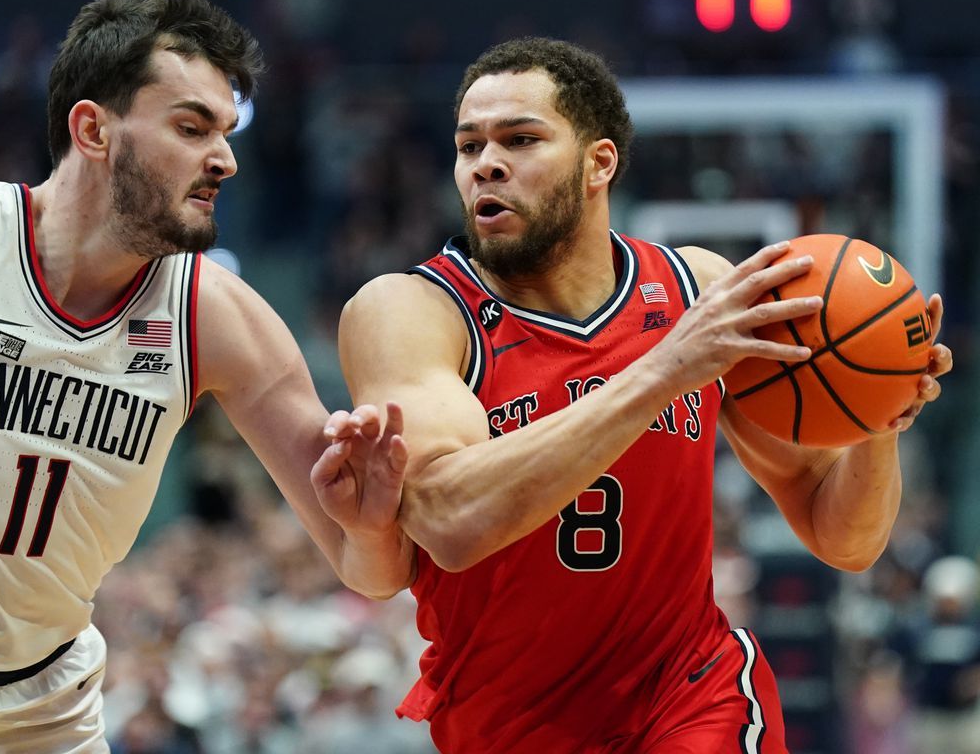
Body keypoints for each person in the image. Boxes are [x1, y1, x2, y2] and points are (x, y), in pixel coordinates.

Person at [0, 0, 411, 754]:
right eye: (192, 126)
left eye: (227, 131)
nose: (225, 158)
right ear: (94, 130)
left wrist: (372, 520)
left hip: (40, 704)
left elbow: (368, 569)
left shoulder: (219, 319)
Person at [338, 37, 953, 753]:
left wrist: (876, 412)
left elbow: (841, 535)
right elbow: (449, 517)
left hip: (687, 693)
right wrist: (667, 368)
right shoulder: (412, 311)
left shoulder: (699, 290)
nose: (487, 164)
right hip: (506, 723)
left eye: (521, 139)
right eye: (469, 145)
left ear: (599, 163)